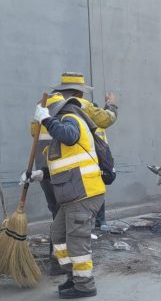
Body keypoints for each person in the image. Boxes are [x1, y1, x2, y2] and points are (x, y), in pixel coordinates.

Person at [22, 93, 105, 299]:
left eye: (46, 115)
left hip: (84, 193)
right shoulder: (57, 136)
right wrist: (38, 175)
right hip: (72, 195)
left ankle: (85, 285)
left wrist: (46, 119)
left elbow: (70, 136)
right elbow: (62, 167)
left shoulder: (72, 119)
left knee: (76, 240)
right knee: (58, 235)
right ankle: (73, 277)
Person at [34, 72, 117, 274]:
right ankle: (78, 275)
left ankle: (63, 265)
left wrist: (40, 173)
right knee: (74, 227)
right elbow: (105, 120)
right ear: (78, 92)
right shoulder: (75, 107)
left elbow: (34, 132)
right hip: (75, 176)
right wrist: (111, 105)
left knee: (59, 220)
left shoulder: (42, 105)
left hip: (52, 168)